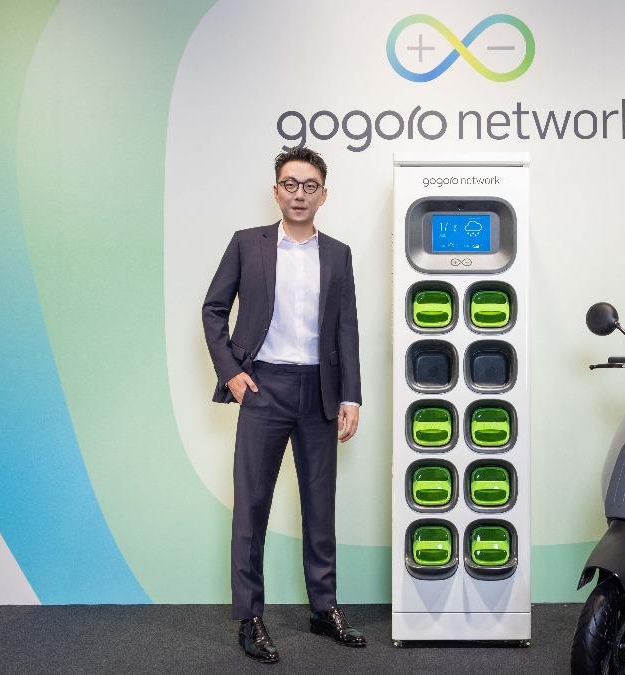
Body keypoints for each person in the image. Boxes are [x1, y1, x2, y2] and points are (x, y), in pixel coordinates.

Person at [202, 146, 365, 664]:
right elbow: (213, 309)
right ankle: (250, 616)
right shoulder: (247, 244)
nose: (299, 194)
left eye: (309, 186)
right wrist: (232, 372)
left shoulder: (338, 254)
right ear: (276, 191)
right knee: (252, 506)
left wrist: (351, 395)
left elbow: (346, 328)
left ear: (323, 195)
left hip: (319, 391)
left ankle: (324, 608)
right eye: (290, 184)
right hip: (263, 387)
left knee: (321, 505)